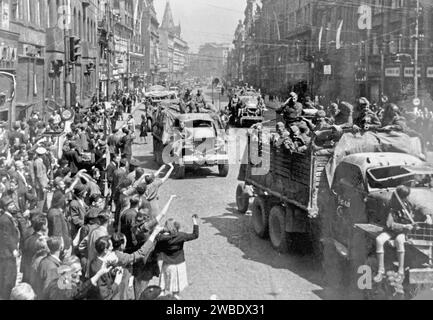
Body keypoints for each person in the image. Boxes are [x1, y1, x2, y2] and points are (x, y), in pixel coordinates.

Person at [374, 186, 432, 287]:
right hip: (393, 230)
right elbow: (390, 224)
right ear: (399, 197)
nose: (406, 199)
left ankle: (401, 271)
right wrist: (404, 226)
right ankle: (380, 270)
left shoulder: (407, 204)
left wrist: (427, 216)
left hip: (403, 232)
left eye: (406, 196)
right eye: (404, 197)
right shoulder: (392, 206)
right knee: (379, 240)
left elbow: (419, 208)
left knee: (399, 240)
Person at [156, 214, 200, 299]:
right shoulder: (181, 235)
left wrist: (161, 230)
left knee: (162, 289)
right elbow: (195, 235)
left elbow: (157, 239)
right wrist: (194, 221)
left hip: (168, 265)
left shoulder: (161, 238)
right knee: (176, 293)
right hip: (179, 265)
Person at [44, 255, 113, 300]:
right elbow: (77, 293)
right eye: (76, 271)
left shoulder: (76, 282)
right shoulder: (58, 287)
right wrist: (98, 274)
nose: (80, 274)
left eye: (80, 270)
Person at [0, 197, 20, 300]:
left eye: (13, 204)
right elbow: (6, 236)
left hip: (8, 253)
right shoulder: (4, 220)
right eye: (10, 205)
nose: (13, 206)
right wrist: (13, 249)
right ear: (5, 207)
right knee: (8, 278)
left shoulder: (8, 218)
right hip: (7, 254)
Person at [21, 214, 48, 283]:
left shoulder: (28, 239)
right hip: (36, 275)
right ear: (43, 226)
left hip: (27, 273)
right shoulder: (42, 241)